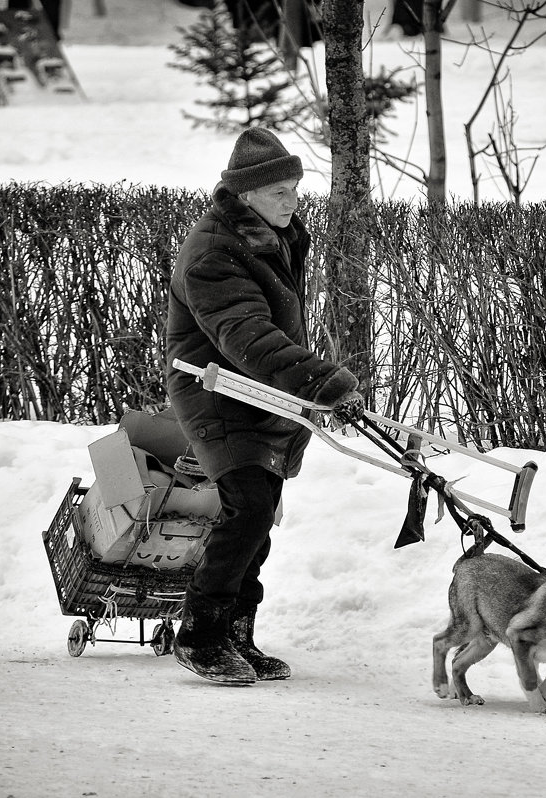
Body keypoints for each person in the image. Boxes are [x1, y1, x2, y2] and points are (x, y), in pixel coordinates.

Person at [165, 128, 363, 684]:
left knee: (258, 518)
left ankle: (236, 636)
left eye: (295, 189)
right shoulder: (212, 253)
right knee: (248, 506)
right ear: (245, 195)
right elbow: (245, 335)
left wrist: (307, 386)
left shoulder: (272, 235)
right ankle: (200, 635)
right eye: (279, 191)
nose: (292, 201)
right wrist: (320, 381)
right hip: (216, 392)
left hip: (261, 393)